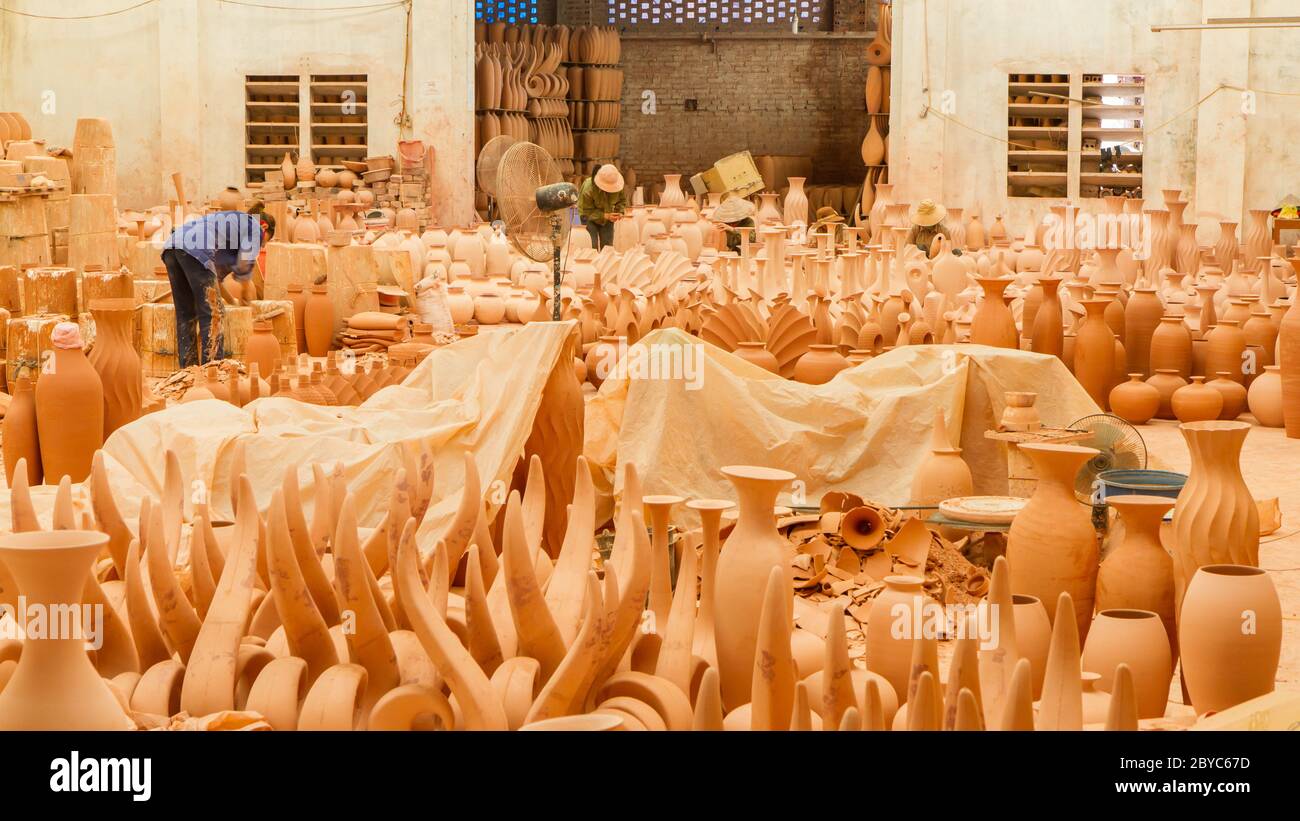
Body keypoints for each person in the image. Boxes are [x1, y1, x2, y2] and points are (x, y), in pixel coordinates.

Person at [161, 195, 267, 367]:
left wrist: (232, 301)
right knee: (213, 314)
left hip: (172, 246)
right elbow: (244, 265)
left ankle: (188, 370)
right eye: (263, 243)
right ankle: (212, 370)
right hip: (194, 248)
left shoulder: (227, 231)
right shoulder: (254, 226)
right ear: (265, 228)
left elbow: (213, 279)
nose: (261, 246)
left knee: (186, 314)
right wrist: (245, 293)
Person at [578, 164, 627, 249]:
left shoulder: (617, 184)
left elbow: (622, 201)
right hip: (589, 217)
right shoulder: (588, 189)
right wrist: (605, 216)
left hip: (607, 217)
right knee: (591, 247)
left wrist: (619, 212)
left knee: (607, 248)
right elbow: (587, 212)